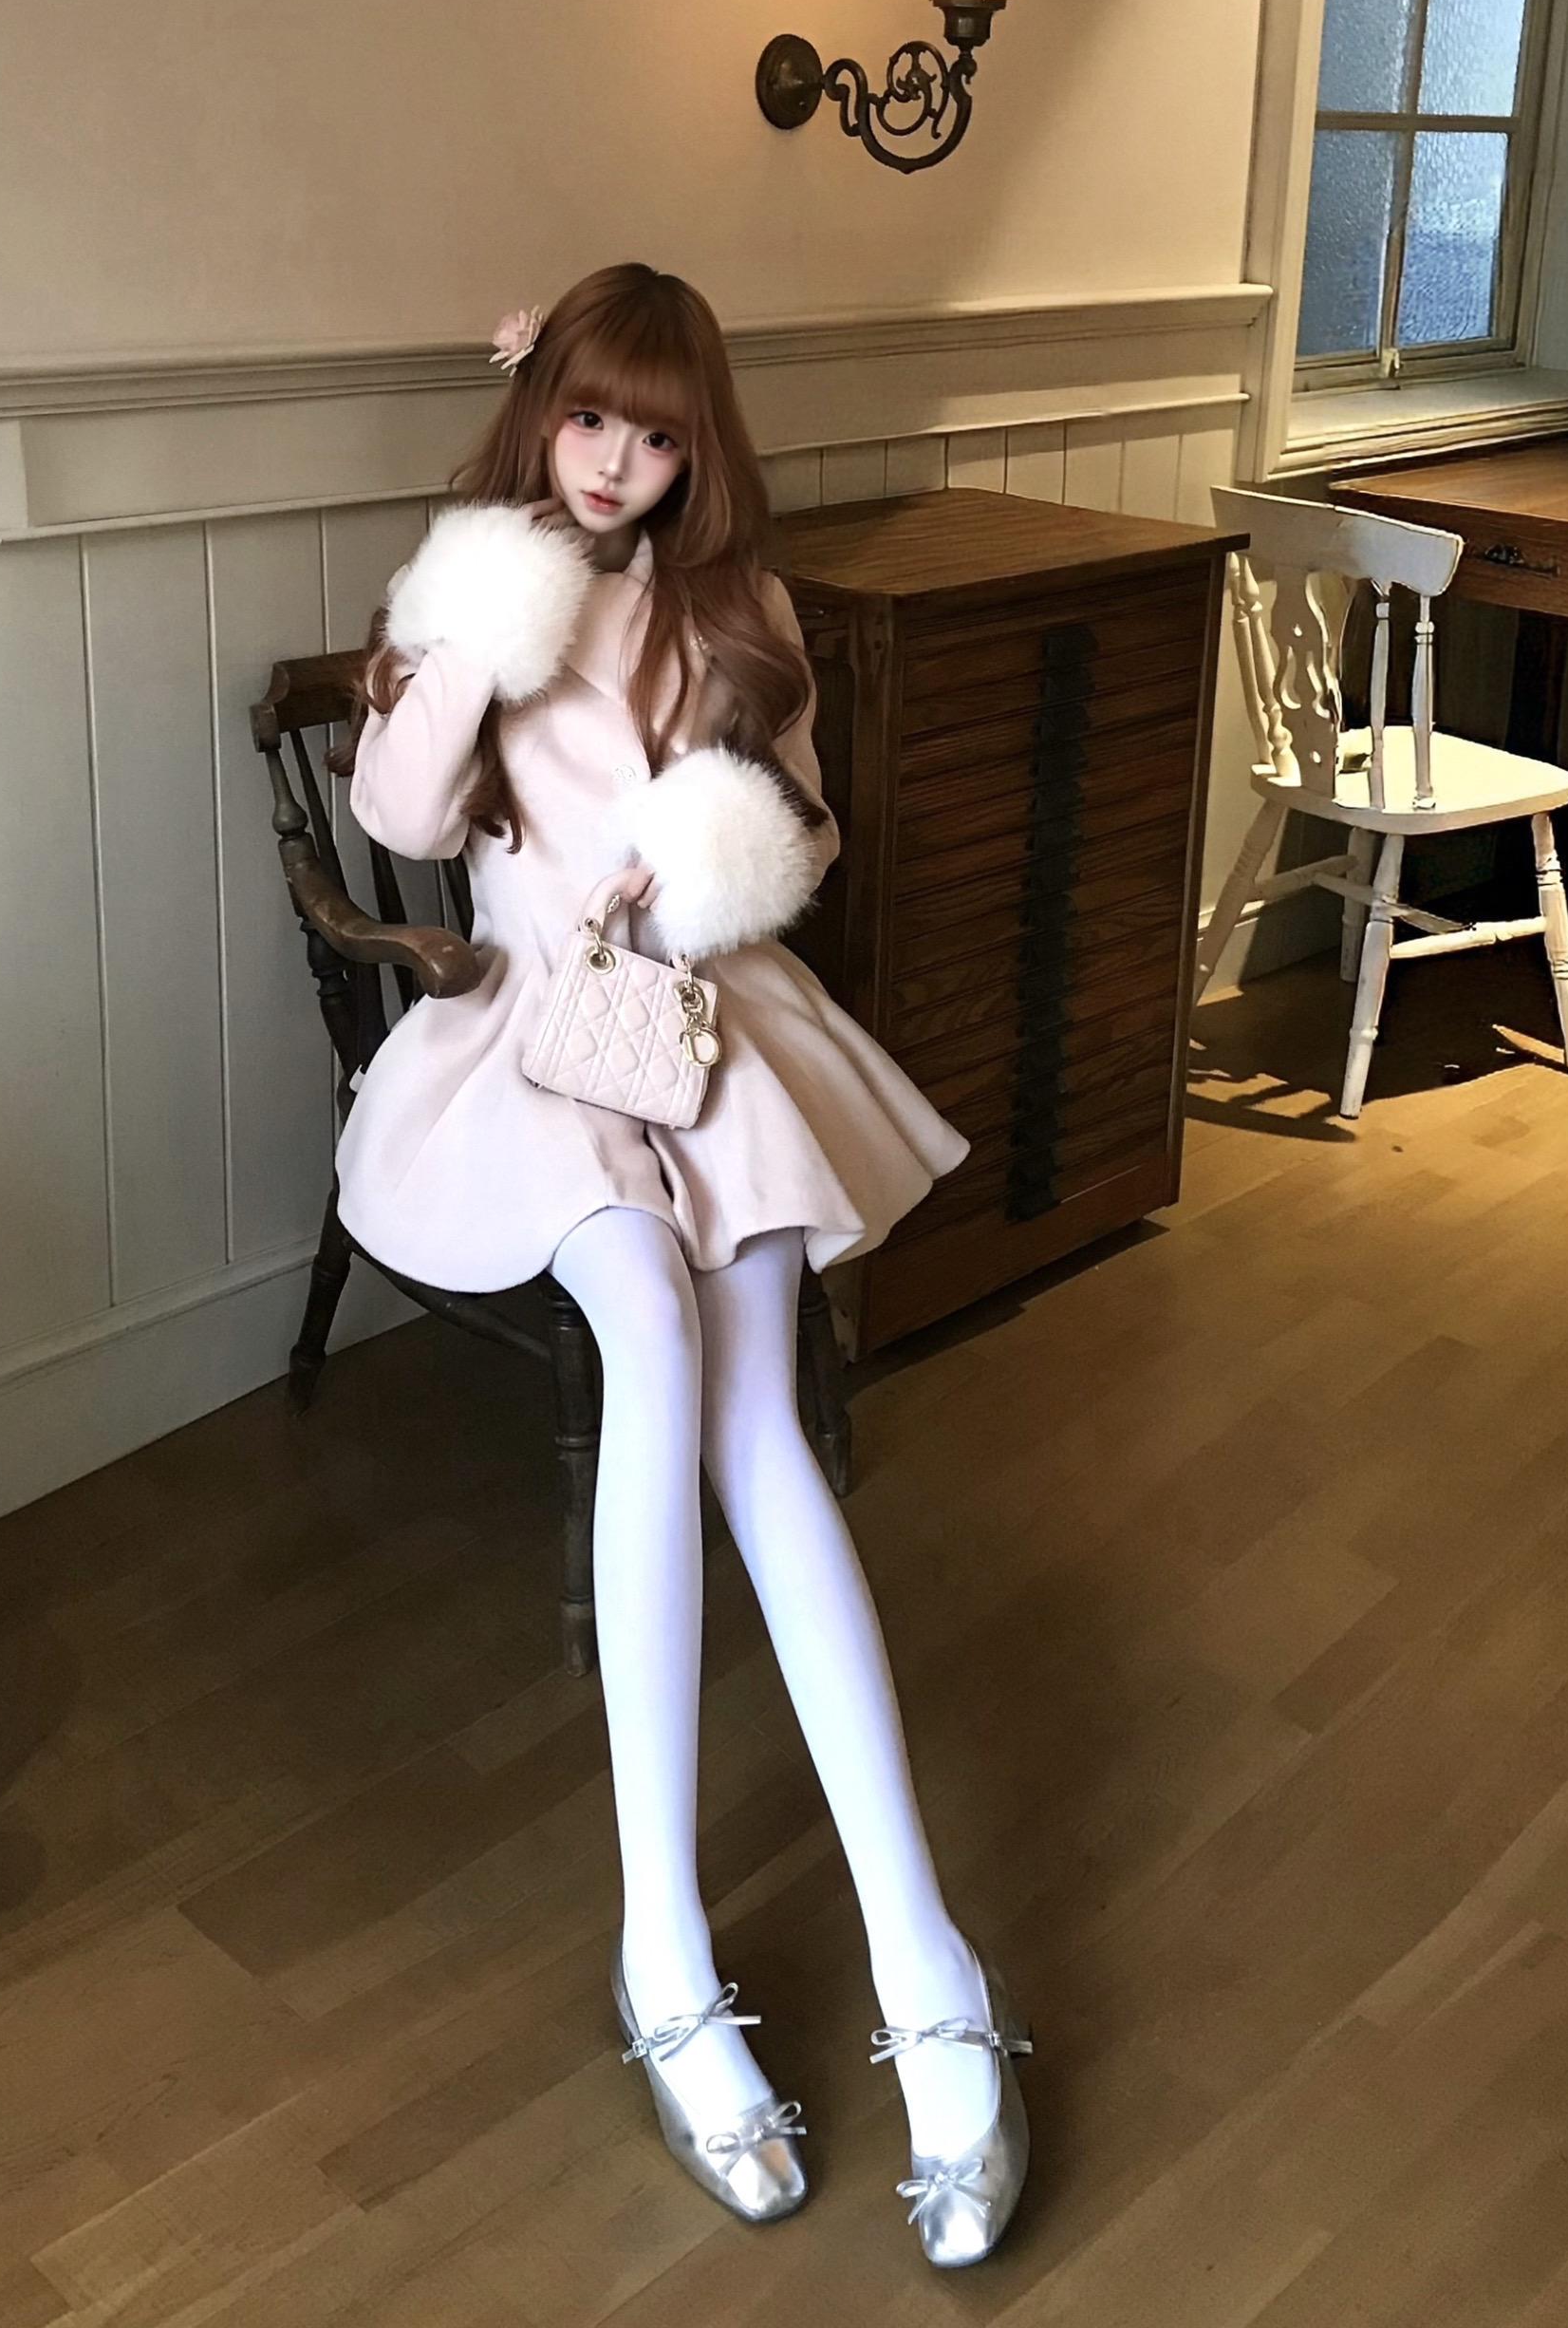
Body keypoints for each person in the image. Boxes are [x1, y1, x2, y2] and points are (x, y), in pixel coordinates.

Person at [329, 262, 1034, 2265]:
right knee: (647, 1327)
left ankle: (923, 1957)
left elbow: (806, 832)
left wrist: (706, 843)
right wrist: (486, 615)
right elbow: (399, 809)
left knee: (762, 1431)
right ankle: (665, 1950)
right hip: (522, 1036)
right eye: (588, 420)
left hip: (700, 1022)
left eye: (655, 433)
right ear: (538, 411)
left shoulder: (740, 610)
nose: (618, 462)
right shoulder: (480, 587)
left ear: (696, 444)